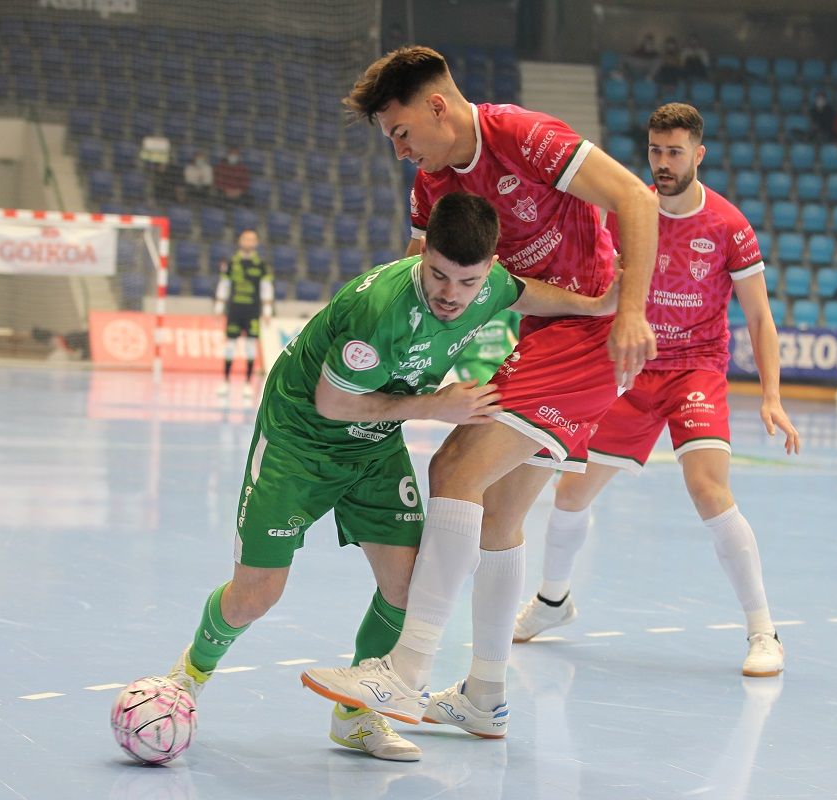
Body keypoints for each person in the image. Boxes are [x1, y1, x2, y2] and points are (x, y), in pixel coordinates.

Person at [161, 192, 621, 762]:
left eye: (468, 281)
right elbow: (333, 404)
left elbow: (527, 293)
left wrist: (601, 305)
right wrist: (438, 406)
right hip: (301, 442)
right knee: (257, 594)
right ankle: (186, 678)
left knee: (408, 587)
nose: (452, 295)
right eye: (439, 275)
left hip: (375, 447)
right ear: (423, 252)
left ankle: (356, 717)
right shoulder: (379, 310)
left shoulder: (491, 284)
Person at [299, 45, 658, 736]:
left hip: (588, 331)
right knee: (497, 515)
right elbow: (416, 275)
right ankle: (487, 695)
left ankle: (405, 674)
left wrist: (632, 313)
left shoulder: (521, 136)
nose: (400, 150)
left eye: (402, 133)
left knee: (455, 468)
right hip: (540, 335)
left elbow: (635, 199)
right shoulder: (433, 189)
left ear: (437, 105)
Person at [510, 103, 800, 678]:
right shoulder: (624, 212)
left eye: (674, 152)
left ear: (698, 153)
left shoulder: (729, 226)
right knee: (569, 493)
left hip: (695, 370)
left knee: (707, 488)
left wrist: (771, 394)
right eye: (655, 151)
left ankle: (763, 631)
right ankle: (553, 601)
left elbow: (761, 319)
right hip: (629, 368)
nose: (663, 163)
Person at [214, 229, 271, 399]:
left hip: (252, 311)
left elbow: (266, 288)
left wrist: (267, 311)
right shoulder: (231, 262)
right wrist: (218, 307)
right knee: (230, 345)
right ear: (240, 241)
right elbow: (224, 285)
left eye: (252, 239)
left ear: (256, 243)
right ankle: (225, 381)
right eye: (246, 238)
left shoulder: (261, 265)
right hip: (234, 310)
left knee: (250, 347)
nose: (249, 242)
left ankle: (248, 383)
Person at [451, 309, 520, 385]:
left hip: (506, 361)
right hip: (472, 362)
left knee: (518, 390)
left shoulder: (508, 302)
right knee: (490, 393)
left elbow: (523, 334)